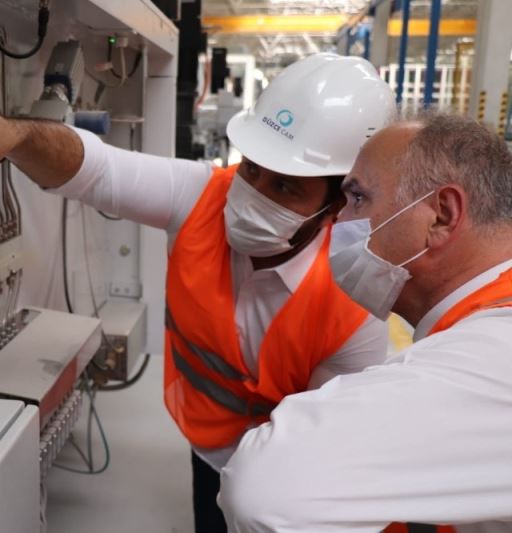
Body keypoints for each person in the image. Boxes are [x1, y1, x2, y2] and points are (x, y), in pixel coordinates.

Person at [0, 53, 396, 532]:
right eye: (252, 168)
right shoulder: (202, 197)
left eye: (286, 187)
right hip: (207, 448)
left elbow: (322, 454)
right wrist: (17, 136)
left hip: (283, 476)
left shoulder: (354, 306)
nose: (256, 193)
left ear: (337, 202)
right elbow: (97, 169)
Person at [218, 113, 512, 533]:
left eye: (357, 198)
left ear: (442, 216)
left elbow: (265, 492)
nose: (337, 221)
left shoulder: (494, 352)